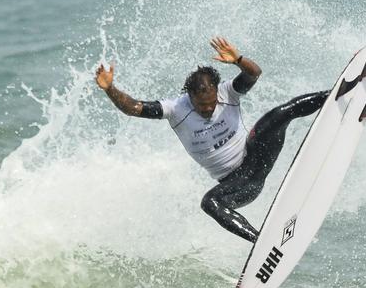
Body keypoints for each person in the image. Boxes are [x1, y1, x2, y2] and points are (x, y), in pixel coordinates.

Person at [95, 37, 329, 242]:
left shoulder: (228, 91)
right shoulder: (174, 109)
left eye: (211, 102)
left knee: (281, 113)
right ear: (190, 97)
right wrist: (110, 89)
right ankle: (261, 242)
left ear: (217, 91)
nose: (207, 108)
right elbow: (133, 108)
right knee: (210, 203)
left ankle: (338, 94)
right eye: (201, 105)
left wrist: (238, 59)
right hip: (239, 185)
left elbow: (253, 73)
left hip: (257, 155)